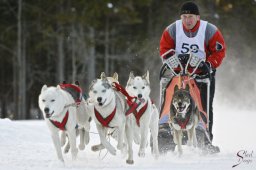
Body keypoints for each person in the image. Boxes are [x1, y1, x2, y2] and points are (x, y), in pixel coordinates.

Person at [158, 1, 226, 153]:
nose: (187, 20)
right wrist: (174, 62)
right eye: (184, 16)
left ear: (198, 17)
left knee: (205, 105)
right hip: (178, 74)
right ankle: (165, 132)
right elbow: (164, 48)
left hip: (202, 75)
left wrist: (209, 64)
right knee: (171, 99)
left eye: (190, 17)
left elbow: (219, 51)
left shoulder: (209, 30)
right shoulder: (172, 29)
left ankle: (205, 136)